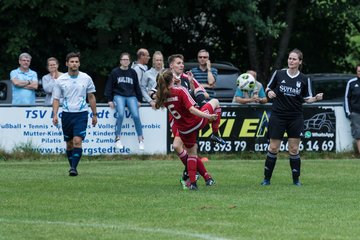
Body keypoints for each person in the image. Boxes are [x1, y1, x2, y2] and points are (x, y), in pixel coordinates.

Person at [261, 48, 323, 186]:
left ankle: (296, 180)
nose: (291, 61)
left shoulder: (304, 79)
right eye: (290, 58)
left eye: (294, 59)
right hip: (278, 115)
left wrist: (316, 98)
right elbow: (267, 88)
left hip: (295, 117)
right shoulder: (278, 74)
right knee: (273, 148)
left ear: (300, 62)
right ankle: (266, 179)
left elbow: (307, 99)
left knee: (294, 149)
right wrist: (269, 91)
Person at [155, 68, 222, 190]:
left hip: (183, 129)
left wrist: (181, 84)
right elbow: (191, 109)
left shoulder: (163, 96)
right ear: (172, 78)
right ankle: (215, 133)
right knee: (215, 101)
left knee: (192, 153)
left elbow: (176, 102)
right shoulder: (180, 91)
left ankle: (193, 183)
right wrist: (207, 116)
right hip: (195, 122)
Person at [52, 52, 97, 176]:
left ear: (79, 63)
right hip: (67, 114)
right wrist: (54, 115)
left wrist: (94, 114)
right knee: (69, 143)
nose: (74, 64)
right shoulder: (60, 80)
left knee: (77, 140)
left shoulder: (86, 78)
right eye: (72, 62)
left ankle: (73, 168)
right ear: (67, 64)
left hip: (81, 113)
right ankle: (72, 165)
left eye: (76, 61)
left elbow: (91, 96)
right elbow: (56, 99)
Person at [104, 52, 144, 150]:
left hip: (131, 96)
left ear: (130, 61)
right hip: (119, 95)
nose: (125, 61)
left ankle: (140, 139)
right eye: (123, 60)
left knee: (135, 115)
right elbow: (109, 86)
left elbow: (137, 87)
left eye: (127, 60)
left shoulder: (133, 72)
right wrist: (109, 99)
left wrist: (139, 99)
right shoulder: (115, 72)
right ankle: (117, 139)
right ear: (120, 61)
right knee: (120, 114)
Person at [344, 64, 360, 156]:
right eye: (359, 71)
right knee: (358, 135)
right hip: (356, 113)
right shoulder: (351, 82)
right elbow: (346, 98)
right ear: (356, 72)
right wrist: (349, 113)